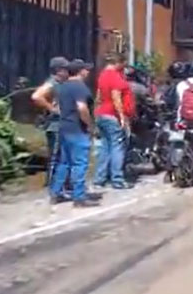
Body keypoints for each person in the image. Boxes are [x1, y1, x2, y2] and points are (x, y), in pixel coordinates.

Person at [52, 59, 100, 207]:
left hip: (64, 127)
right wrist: (90, 125)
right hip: (77, 129)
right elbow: (82, 108)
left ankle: (56, 193)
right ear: (80, 71)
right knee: (80, 163)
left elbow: (58, 106)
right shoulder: (79, 87)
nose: (88, 72)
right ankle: (79, 197)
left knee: (64, 162)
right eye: (86, 69)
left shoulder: (63, 86)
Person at [93, 53, 135, 190]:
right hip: (112, 115)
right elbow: (116, 97)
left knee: (105, 147)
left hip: (101, 114)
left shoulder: (102, 75)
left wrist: (96, 111)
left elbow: (98, 96)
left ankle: (100, 179)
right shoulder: (115, 76)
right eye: (124, 64)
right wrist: (122, 116)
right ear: (119, 63)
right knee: (118, 147)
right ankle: (117, 179)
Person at [31, 56, 69, 192]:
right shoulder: (52, 83)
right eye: (65, 69)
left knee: (62, 156)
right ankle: (52, 184)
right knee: (55, 156)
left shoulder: (62, 84)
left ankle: (61, 183)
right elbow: (36, 96)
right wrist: (53, 109)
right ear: (58, 70)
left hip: (62, 124)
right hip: (54, 125)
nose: (68, 72)